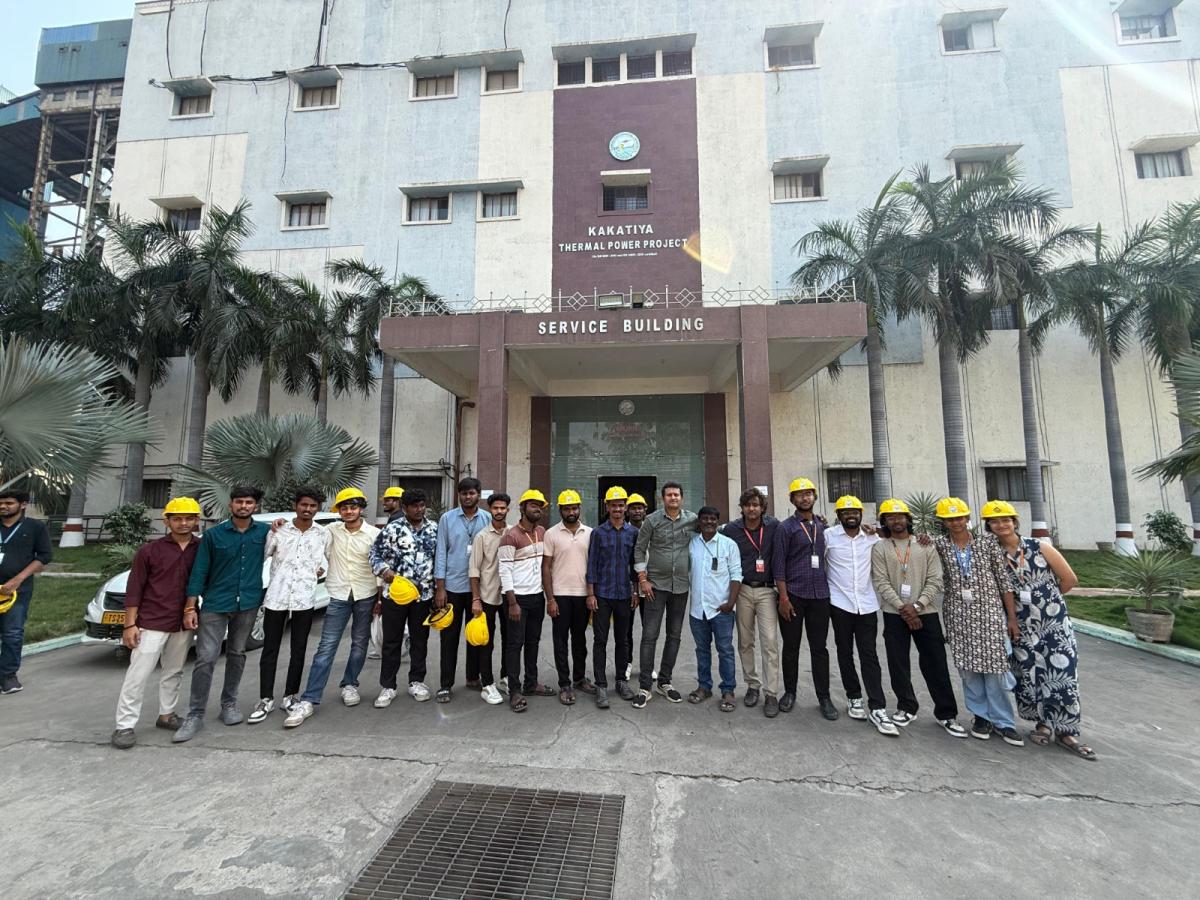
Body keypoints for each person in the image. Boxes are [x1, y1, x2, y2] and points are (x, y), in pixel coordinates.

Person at [982, 500, 1095, 760]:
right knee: (1030, 673)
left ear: (1015, 522)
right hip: (1019, 623)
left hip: (1053, 624)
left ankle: (1066, 730)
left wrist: (1049, 601)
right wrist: (1013, 617)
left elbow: (1069, 579)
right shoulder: (993, 554)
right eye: (994, 521)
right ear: (989, 526)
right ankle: (1043, 724)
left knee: (1062, 673)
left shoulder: (1039, 547)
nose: (1001, 525)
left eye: (1006, 520)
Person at [173, 485, 269, 743]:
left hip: (248, 603)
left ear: (256, 506)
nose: (244, 506)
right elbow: (199, 571)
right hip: (216, 603)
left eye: (249, 502)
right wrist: (190, 606)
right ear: (231, 505)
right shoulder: (213, 536)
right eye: (239, 502)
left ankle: (229, 703)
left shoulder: (264, 532)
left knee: (237, 653)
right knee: (206, 658)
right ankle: (195, 714)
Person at [870, 499, 966, 738]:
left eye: (900, 516)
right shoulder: (880, 548)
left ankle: (946, 713)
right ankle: (906, 707)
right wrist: (903, 608)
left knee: (936, 663)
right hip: (894, 613)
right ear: (884, 521)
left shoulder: (925, 545)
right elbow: (881, 581)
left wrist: (917, 605)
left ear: (908, 519)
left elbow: (935, 579)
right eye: (890, 517)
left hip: (927, 612)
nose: (896, 520)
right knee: (898, 663)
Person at [285, 488, 381, 728]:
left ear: (361, 509)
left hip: (366, 594)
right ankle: (309, 698)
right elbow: (308, 535)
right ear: (339, 511)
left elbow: (379, 565)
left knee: (359, 644)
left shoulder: (374, 534)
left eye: (353, 507)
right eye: (344, 508)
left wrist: (380, 599)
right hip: (338, 594)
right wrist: (279, 524)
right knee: (326, 647)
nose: (349, 512)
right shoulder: (329, 532)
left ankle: (350, 684)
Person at [932, 497, 1024, 747]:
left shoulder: (987, 543)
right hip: (958, 614)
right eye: (950, 519)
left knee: (995, 668)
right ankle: (981, 717)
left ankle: (1004, 722)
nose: (955, 523)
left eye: (959, 517)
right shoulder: (940, 545)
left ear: (967, 518)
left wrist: (1011, 618)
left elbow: (1003, 581)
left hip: (989, 613)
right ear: (943, 522)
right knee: (968, 669)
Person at [110, 498, 201, 749]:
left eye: (189, 518)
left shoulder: (201, 548)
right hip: (152, 620)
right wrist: (129, 625)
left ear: (197, 520)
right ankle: (124, 725)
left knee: (174, 670)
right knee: (138, 674)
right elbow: (135, 588)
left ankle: (167, 714)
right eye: (177, 518)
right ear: (166, 521)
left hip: (183, 622)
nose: (183, 523)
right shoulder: (150, 551)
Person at [248, 487, 330, 725]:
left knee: (299, 649)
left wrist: (320, 569)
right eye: (304, 504)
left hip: (304, 599)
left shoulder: (322, 533)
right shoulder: (279, 530)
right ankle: (265, 699)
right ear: (296, 505)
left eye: (312, 506)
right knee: (270, 649)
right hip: (277, 597)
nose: (308, 509)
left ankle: (290, 696)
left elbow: (328, 558)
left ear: (318, 508)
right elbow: (263, 555)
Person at [824, 496, 897, 737]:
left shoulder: (872, 537)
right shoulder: (829, 536)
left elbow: (897, 537)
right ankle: (854, 697)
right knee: (844, 652)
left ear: (861, 514)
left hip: (866, 605)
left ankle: (877, 706)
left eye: (855, 511)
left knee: (869, 655)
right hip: (839, 603)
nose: (851, 515)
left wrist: (879, 530)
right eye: (845, 512)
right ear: (838, 515)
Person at [772, 477, 838, 720]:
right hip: (794, 596)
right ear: (792, 499)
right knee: (791, 647)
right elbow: (778, 564)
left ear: (815, 497)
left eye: (808, 493)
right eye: (799, 494)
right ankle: (789, 692)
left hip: (820, 595)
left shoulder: (823, 526)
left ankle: (824, 697)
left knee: (819, 648)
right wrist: (783, 598)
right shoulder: (785, 528)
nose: (805, 497)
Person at [369, 488, 437, 708]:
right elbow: (374, 554)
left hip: (423, 596)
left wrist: (439, 590)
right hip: (395, 595)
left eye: (422, 505)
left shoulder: (434, 529)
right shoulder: (393, 529)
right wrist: (384, 570)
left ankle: (417, 681)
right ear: (405, 508)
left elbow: (441, 559)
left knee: (419, 640)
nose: (419, 509)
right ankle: (388, 686)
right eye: (414, 506)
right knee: (392, 641)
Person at [633, 482, 696, 705]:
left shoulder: (692, 520)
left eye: (676, 494)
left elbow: (711, 530)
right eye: (669, 495)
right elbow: (639, 549)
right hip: (655, 587)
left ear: (682, 498)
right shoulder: (652, 520)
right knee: (649, 635)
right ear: (662, 498)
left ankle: (664, 682)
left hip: (681, 587)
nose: (673, 498)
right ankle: (644, 687)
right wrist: (643, 580)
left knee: (674, 635)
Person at [720, 488, 781, 717]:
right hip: (743, 590)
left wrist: (821, 522)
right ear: (742, 508)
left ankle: (771, 692)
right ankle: (752, 685)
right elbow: (710, 531)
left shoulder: (774, 526)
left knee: (770, 641)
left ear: (762, 507)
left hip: (767, 591)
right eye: (747, 505)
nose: (752, 509)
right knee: (745, 641)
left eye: (756, 505)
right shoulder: (732, 529)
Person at [433, 477, 488, 703]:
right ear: (459, 495)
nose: (468, 497)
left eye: (472, 493)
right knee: (449, 637)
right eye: (464, 493)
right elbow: (441, 553)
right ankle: (445, 684)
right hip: (453, 587)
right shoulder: (447, 519)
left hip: (479, 589)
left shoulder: (487, 518)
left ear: (478, 495)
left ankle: (473, 677)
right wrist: (440, 588)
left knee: (475, 634)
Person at [499, 490, 552, 712]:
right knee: (514, 644)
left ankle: (531, 683)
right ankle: (515, 690)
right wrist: (512, 603)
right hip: (517, 599)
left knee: (533, 642)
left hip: (536, 597)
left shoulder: (542, 532)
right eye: (533, 505)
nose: (537, 509)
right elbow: (504, 571)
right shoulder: (510, 536)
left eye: (540, 505)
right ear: (522, 508)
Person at [586, 486, 639, 708]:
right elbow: (592, 564)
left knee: (623, 640)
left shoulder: (632, 533)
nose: (617, 509)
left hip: (624, 595)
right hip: (603, 595)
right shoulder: (598, 533)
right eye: (613, 505)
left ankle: (620, 681)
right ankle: (600, 685)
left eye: (620, 505)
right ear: (607, 507)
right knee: (600, 640)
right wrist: (591, 594)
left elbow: (635, 564)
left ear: (625, 507)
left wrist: (635, 590)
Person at [686, 506, 742, 711]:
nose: (709, 522)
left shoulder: (729, 545)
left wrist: (730, 603)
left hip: (721, 610)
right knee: (702, 650)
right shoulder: (692, 544)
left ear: (718, 521)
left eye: (712, 519)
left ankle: (728, 690)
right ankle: (704, 686)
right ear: (699, 522)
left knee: (725, 650)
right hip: (697, 610)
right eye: (705, 519)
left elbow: (736, 575)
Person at [543, 489, 595, 705]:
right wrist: (550, 599)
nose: (571, 512)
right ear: (560, 510)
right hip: (560, 596)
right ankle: (564, 684)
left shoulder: (590, 533)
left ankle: (580, 678)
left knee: (580, 640)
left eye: (574, 508)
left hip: (582, 596)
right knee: (560, 641)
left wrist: (591, 594)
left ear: (579, 508)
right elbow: (546, 568)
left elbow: (593, 566)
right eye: (567, 508)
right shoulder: (551, 534)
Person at [0, 488, 52, 694]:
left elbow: (44, 556)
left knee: (12, 633)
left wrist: (18, 579)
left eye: (9, 503)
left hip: (16, 591)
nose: (3, 506)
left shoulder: (35, 527)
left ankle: (8, 676)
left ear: (22, 505)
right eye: (0, 503)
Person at [468, 492, 511, 704]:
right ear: (490, 510)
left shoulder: (513, 533)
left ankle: (506, 677)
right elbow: (474, 570)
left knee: (510, 640)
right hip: (487, 596)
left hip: (509, 596)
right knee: (486, 642)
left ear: (508, 510)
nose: (499, 511)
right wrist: (476, 599)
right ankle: (487, 684)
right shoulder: (482, 536)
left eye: (503, 508)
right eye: (496, 508)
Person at [622, 493, 649, 681]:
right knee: (626, 628)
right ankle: (627, 663)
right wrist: (633, 587)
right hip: (628, 587)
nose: (637, 511)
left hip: (648, 586)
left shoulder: (652, 529)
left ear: (645, 510)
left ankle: (647, 666)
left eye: (640, 507)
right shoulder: (624, 531)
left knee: (649, 629)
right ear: (627, 511)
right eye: (633, 508)